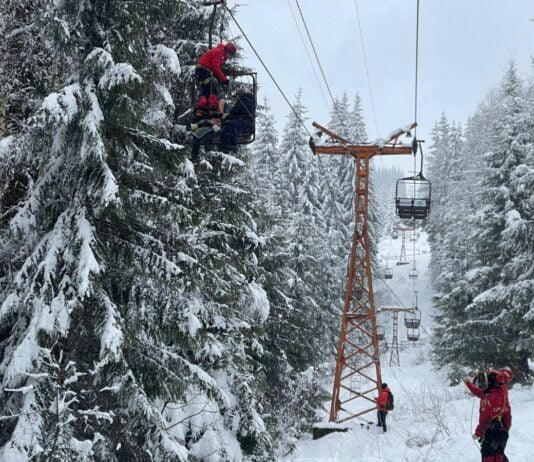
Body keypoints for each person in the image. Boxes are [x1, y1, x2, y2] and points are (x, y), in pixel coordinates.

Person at [465, 370, 511, 462]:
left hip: (491, 434)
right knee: (499, 456)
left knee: (488, 458)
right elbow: (507, 416)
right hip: (502, 434)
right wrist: (468, 383)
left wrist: (478, 433)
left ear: (490, 381)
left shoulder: (488, 397)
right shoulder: (502, 394)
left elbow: (485, 419)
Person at [195, 42, 237, 115]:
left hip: (201, 71)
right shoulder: (219, 53)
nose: (229, 57)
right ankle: (212, 108)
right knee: (213, 90)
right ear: (228, 51)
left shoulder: (218, 52)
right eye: (230, 55)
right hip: (204, 71)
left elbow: (214, 66)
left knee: (206, 91)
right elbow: (215, 68)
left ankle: (201, 108)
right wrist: (224, 79)